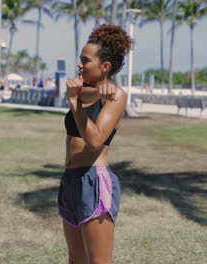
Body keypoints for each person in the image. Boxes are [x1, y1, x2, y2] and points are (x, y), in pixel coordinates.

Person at [59, 24, 132, 264]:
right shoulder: (84, 92)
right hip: (71, 180)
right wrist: (84, 96)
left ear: (105, 66)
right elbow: (85, 95)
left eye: (85, 60)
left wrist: (74, 103)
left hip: (94, 180)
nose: (79, 65)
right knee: (75, 261)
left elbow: (94, 141)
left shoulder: (117, 96)